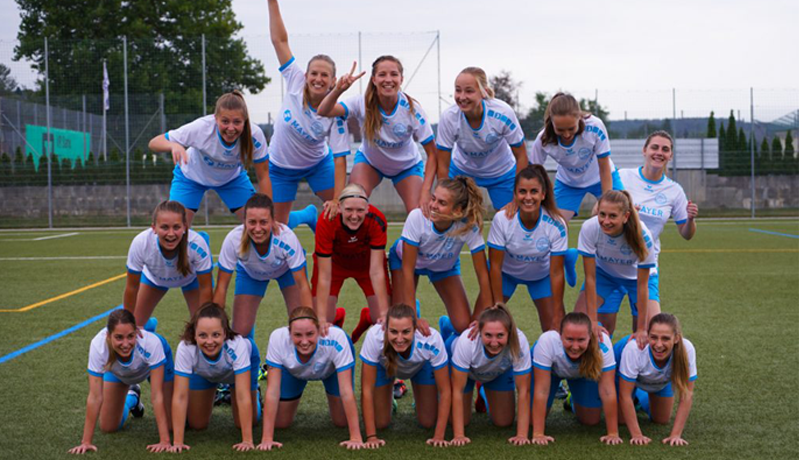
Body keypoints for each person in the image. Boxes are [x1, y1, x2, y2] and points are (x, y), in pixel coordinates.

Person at [148, 91, 317, 230]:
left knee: (262, 226)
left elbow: (264, 175)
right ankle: (201, 242)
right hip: (190, 178)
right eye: (225, 121)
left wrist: (269, 215)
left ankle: (307, 215)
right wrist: (173, 146)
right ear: (215, 119)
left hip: (232, 180)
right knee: (177, 228)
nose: (231, 128)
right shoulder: (201, 128)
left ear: (245, 121)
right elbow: (154, 142)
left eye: (237, 122)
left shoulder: (254, 136)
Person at [317, 55, 438, 215]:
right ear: (374, 79)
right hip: (370, 163)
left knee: (419, 214)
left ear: (401, 79)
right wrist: (339, 89)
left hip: (406, 167)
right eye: (382, 75)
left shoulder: (411, 109)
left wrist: (426, 191)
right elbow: (323, 111)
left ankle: (403, 242)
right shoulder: (361, 102)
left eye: (394, 74)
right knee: (351, 204)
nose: (388, 79)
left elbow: (433, 153)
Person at [267, 0, 351, 225]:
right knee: (277, 227)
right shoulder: (294, 79)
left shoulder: (336, 113)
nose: (318, 79)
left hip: (318, 165)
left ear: (333, 81)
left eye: (325, 76)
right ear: (306, 75)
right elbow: (279, 40)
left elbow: (340, 158)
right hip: (280, 167)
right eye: (314, 73)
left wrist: (335, 200)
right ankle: (307, 216)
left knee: (342, 211)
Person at [390, 177, 492, 334]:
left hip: (443, 267)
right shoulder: (417, 217)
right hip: (406, 262)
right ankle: (412, 305)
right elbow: (408, 270)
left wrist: (485, 318)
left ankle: (446, 327)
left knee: (463, 325)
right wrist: (412, 316)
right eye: (433, 198)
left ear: (457, 210)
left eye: (442, 203)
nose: (433, 206)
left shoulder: (469, 226)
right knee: (401, 320)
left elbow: (483, 277)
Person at [615, 131, 698, 317]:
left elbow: (687, 234)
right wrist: (625, 213)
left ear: (670, 156)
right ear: (644, 150)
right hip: (613, 261)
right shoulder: (623, 177)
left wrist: (691, 219)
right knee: (602, 329)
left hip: (646, 264)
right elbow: (599, 212)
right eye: (655, 147)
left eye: (665, 149)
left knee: (647, 330)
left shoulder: (674, 191)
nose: (659, 152)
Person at [69, 309, 174, 454]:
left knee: (171, 425)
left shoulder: (151, 343)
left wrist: (165, 441)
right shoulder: (98, 346)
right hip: (119, 372)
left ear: (137, 333)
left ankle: (148, 325)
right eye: (118, 337)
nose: (125, 344)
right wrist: (86, 442)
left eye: (130, 336)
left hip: (151, 366)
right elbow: (95, 397)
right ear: (108, 335)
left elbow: (157, 396)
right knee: (108, 427)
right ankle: (132, 398)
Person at [258, 307, 363, 450]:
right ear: (289, 332)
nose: (304, 341)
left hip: (330, 369)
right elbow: (272, 391)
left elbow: (346, 391)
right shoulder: (278, 338)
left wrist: (356, 438)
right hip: (293, 371)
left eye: (310, 334)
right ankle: (256, 396)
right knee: (280, 423)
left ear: (319, 330)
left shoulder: (336, 338)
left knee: (342, 421)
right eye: (297, 335)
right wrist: (266, 439)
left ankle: (337, 315)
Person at [213, 193, 312, 336]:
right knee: (240, 332)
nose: (258, 229)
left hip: (286, 271)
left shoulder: (286, 238)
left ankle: (307, 215)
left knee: (299, 322)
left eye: (263, 222)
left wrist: (310, 321)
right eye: (252, 222)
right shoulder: (233, 239)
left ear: (273, 221)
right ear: (244, 221)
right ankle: (251, 356)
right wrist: (214, 327)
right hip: (251, 273)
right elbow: (221, 287)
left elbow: (303, 285)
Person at [171, 303, 261, 453]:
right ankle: (220, 389)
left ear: (225, 333)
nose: (209, 341)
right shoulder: (185, 347)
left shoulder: (237, 345)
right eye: (202, 335)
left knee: (246, 422)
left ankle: (256, 394)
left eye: (216, 334)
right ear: (194, 334)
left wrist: (247, 441)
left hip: (236, 373)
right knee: (197, 424)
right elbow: (180, 396)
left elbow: (242, 395)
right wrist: (177, 442)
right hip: (205, 373)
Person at [487, 164, 567, 332]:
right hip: (506, 275)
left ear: (543, 194)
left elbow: (557, 272)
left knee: (555, 330)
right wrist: (498, 304)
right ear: (515, 194)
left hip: (541, 276)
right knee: (481, 322)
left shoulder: (556, 224)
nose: (528, 197)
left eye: (534, 192)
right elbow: (495, 266)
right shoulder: (502, 219)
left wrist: (558, 311)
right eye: (522, 191)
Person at [359, 303, 451, 448]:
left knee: (428, 422)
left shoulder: (431, 338)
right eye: (394, 332)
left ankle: (420, 400)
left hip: (420, 366)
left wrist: (439, 436)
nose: (400, 338)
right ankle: (390, 398)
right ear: (386, 329)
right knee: (380, 423)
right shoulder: (375, 336)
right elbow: (366, 390)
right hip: (386, 367)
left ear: (415, 329)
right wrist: (371, 437)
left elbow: (445, 390)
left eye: (406, 331)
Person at [436, 67, 528, 210]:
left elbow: (521, 155)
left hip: (502, 172)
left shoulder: (503, 112)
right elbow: (442, 164)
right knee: (457, 221)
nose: (462, 96)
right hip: (462, 172)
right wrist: (443, 197)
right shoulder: (449, 117)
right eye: (458, 90)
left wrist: (519, 192)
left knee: (510, 221)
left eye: (469, 91)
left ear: (483, 92)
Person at [312, 183, 391, 340]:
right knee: (321, 322)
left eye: (360, 210)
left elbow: (376, 271)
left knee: (382, 320)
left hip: (366, 265)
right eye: (349, 210)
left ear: (368, 209)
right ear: (339, 207)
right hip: (334, 266)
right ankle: (337, 316)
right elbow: (324, 276)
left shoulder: (377, 220)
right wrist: (321, 318)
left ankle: (367, 317)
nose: (354, 216)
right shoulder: (327, 219)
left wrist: (384, 313)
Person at [529, 92, 623, 222]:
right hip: (568, 184)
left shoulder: (595, 127)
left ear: (579, 117)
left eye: (571, 128)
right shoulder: (543, 139)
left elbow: (604, 166)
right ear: (551, 121)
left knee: (618, 217)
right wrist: (546, 193)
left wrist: (605, 201)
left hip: (602, 177)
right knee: (554, 226)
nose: (566, 134)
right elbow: (533, 172)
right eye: (560, 130)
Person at [577, 190, 656, 344]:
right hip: (604, 274)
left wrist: (641, 329)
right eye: (602, 214)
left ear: (625, 216)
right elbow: (590, 278)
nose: (606, 221)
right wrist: (592, 321)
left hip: (636, 279)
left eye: (612, 216)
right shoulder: (589, 228)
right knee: (581, 324)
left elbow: (642, 284)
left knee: (652, 331)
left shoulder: (643, 235)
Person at [530, 312, 621, 445]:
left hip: (583, 372)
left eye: (581, 340)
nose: (575, 346)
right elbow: (542, 390)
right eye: (569, 339)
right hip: (550, 374)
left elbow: (608, 390)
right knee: (532, 421)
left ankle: (572, 399)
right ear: (560, 335)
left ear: (590, 337)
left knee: (590, 420)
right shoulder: (547, 341)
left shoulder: (602, 342)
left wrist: (613, 433)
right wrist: (538, 434)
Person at [449, 304, 531, 446]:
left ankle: (484, 391)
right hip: (466, 373)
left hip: (497, 372)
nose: (494, 342)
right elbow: (457, 390)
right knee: (461, 421)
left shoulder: (519, 341)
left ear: (509, 333)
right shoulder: (467, 341)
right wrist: (459, 435)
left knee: (503, 422)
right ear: (479, 331)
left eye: (500, 335)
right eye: (488, 335)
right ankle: (447, 327)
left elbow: (524, 391)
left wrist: (522, 435)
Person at [124, 200, 213, 327]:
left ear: (185, 227)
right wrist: (127, 322)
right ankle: (148, 325)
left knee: (202, 327)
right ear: (154, 228)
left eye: (176, 227)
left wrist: (204, 322)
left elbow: (206, 288)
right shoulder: (141, 243)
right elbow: (131, 288)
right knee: (133, 326)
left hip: (191, 280)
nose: (171, 234)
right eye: (164, 227)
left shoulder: (197, 245)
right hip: (154, 279)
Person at [615, 313, 697, 446]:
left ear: (676, 338)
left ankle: (637, 398)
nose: (659, 344)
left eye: (665, 338)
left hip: (656, 381)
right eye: (653, 337)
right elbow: (624, 395)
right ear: (647, 335)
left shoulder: (687, 349)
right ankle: (574, 399)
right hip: (624, 377)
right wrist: (637, 435)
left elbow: (686, 395)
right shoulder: (634, 349)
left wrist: (675, 435)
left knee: (661, 419)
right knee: (620, 420)